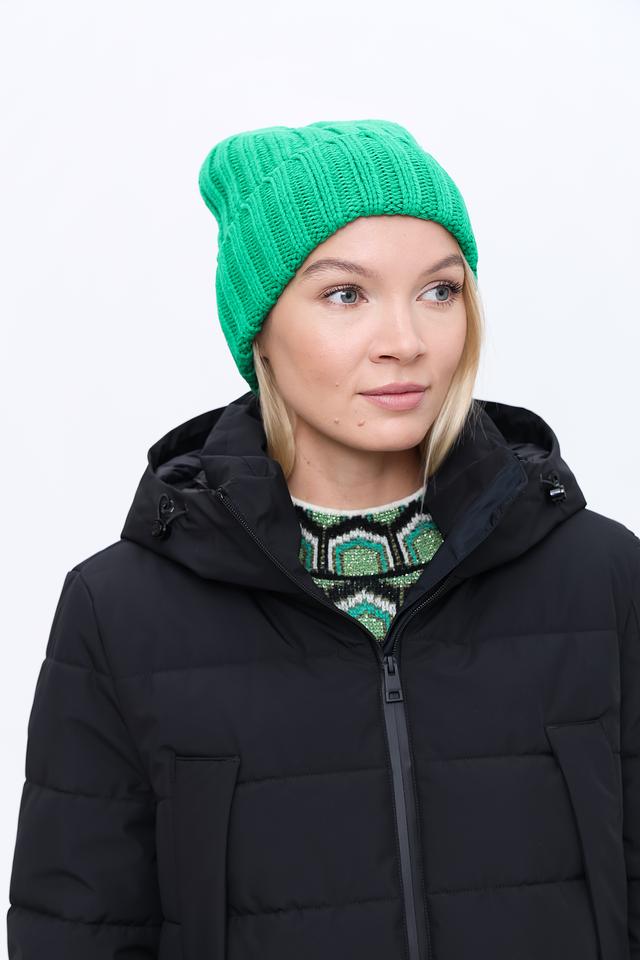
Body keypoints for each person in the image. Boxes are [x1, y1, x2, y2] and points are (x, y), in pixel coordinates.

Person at [5, 118, 640, 960]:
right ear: (259, 329)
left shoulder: (601, 575)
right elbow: (78, 933)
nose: (405, 341)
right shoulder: (120, 612)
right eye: (346, 295)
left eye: (439, 291)